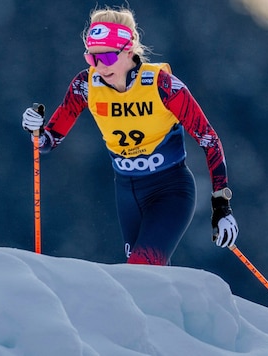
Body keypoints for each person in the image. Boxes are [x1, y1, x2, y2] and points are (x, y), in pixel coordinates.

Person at [21, 6, 238, 266]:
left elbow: (209, 140)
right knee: (144, 280)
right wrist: (35, 129)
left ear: (129, 50)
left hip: (170, 189)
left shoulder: (163, 85)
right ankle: (177, 307)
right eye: (92, 58)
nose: (100, 66)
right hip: (127, 193)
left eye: (108, 58)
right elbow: (48, 141)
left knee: (140, 268)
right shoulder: (85, 86)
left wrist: (221, 206)